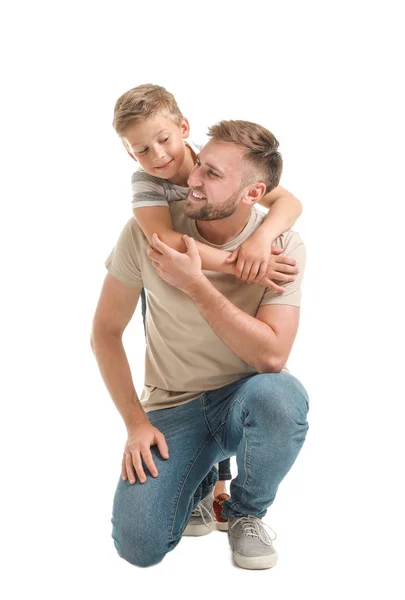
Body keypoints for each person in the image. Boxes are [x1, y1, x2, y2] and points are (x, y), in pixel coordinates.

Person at [91, 119, 309, 570]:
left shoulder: (282, 245)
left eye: (212, 174)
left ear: (253, 193)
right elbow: (105, 333)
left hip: (243, 400)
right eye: (200, 164)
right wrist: (135, 424)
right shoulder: (147, 235)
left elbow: (271, 356)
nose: (191, 178)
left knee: (281, 396)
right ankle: (203, 480)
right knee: (138, 546)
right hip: (173, 406)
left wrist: (197, 284)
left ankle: (244, 512)